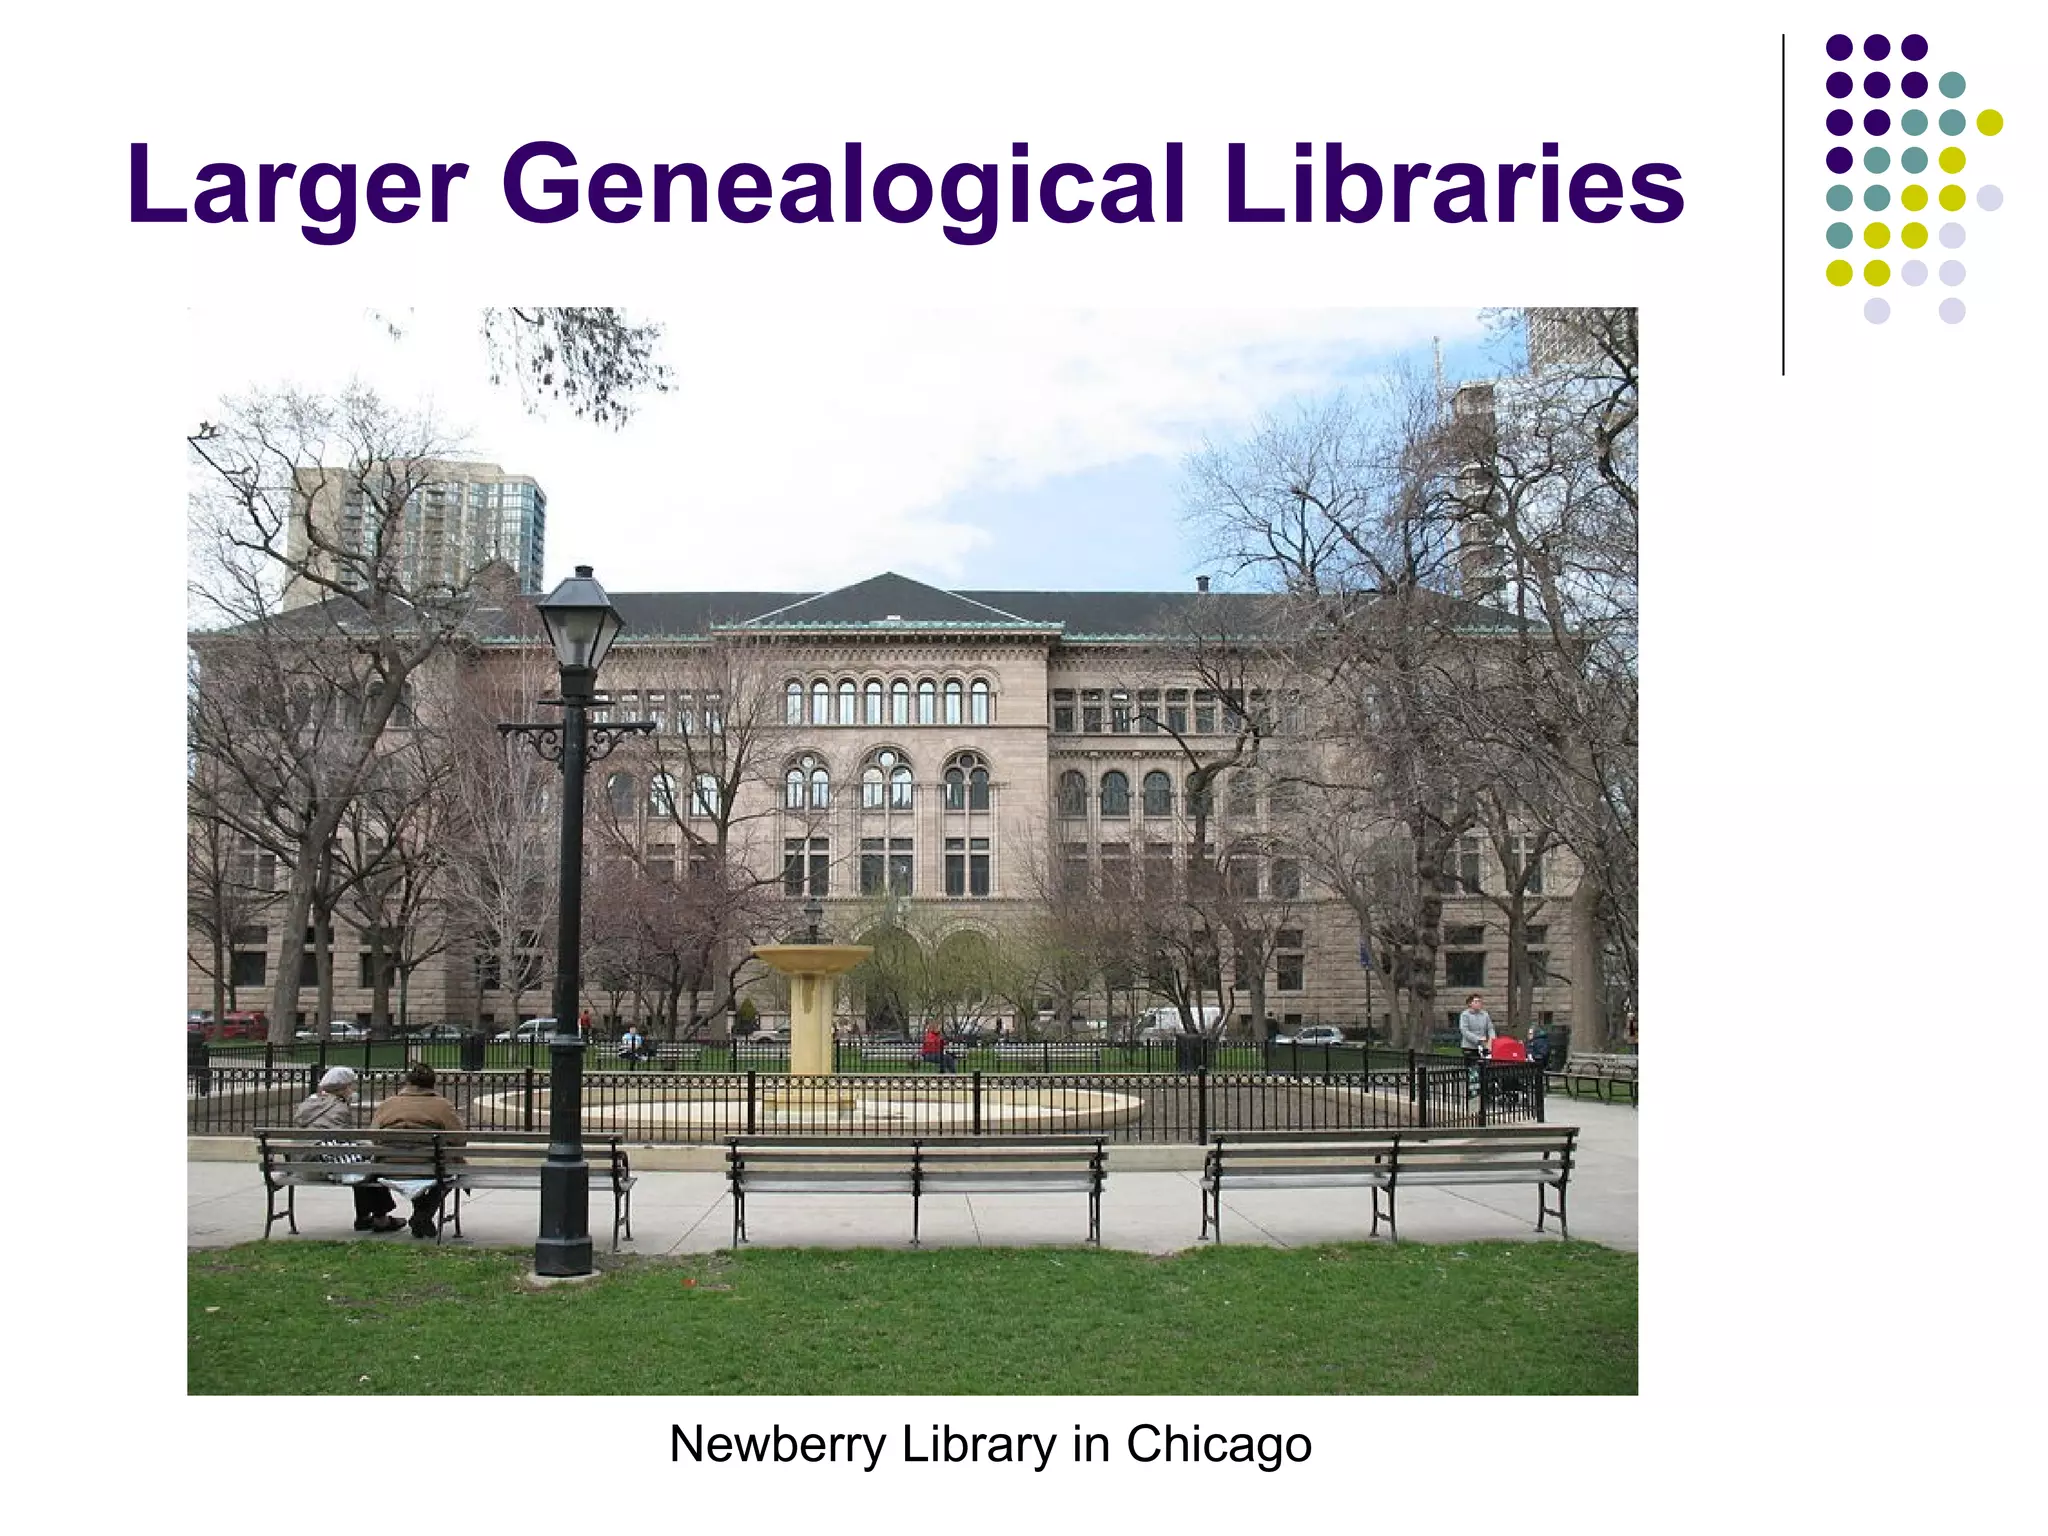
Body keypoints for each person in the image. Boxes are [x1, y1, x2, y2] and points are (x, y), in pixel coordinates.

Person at [293, 1066, 404, 1233]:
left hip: (304, 1164)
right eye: (350, 1086)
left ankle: (365, 1217)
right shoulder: (339, 1108)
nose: (352, 1090)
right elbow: (344, 1140)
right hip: (325, 1165)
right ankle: (380, 1218)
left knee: (359, 1165)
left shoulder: (308, 1104)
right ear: (342, 1089)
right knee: (369, 1165)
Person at [369, 1061, 466, 1238]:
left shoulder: (388, 1104)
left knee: (427, 1167)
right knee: (447, 1170)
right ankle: (423, 1215)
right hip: (432, 1169)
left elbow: (373, 1137)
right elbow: (459, 1140)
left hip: (388, 1169)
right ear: (432, 1084)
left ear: (407, 1083)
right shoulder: (442, 1106)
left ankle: (422, 1215)